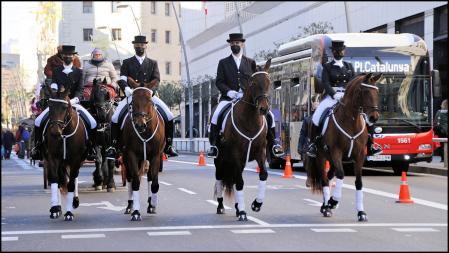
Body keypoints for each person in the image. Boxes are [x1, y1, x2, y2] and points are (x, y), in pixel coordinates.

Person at [207, 33, 284, 159]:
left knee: (269, 114)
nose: (235, 45)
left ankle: (274, 143)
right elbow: (219, 81)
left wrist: (247, 92)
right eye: (232, 43)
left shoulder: (250, 62)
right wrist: (229, 92)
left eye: (237, 43)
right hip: (229, 98)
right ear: (230, 45)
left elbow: (255, 81)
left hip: (247, 98)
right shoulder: (223, 63)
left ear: (242, 44)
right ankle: (214, 145)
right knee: (216, 115)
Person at [307, 40, 383, 158]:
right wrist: (334, 94)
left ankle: (371, 144)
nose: (339, 52)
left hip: (347, 97)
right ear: (333, 52)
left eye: (341, 50)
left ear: (344, 51)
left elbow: (353, 82)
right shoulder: (327, 67)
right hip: (332, 97)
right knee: (317, 115)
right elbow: (325, 83)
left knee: (366, 117)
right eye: (337, 50)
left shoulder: (349, 66)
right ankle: (313, 144)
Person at [107, 35, 178, 159]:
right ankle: (114, 146)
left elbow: (156, 79)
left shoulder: (152, 63)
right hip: (132, 95)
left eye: (142, 45)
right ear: (134, 46)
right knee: (115, 117)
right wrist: (127, 89)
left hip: (148, 96)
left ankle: (169, 145)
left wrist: (151, 91)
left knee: (169, 115)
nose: (140, 47)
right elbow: (122, 78)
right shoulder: (127, 62)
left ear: (146, 46)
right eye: (137, 45)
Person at [31, 45, 97, 161]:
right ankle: (38, 147)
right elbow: (54, 83)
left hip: (74, 102)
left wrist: (73, 100)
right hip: (58, 102)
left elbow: (80, 90)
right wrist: (55, 89)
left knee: (92, 122)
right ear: (62, 56)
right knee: (38, 121)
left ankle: (92, 147)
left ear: (73, 57)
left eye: (70, 55)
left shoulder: (80, 72)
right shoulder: (56, 71)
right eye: (65, 55)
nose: (68, 57)